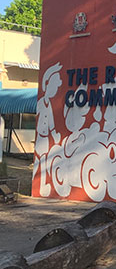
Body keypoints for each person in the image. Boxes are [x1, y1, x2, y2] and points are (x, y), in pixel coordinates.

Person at [34, 62, 62, 196]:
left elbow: (51, 122)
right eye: (55, 84)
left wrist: (54, 133)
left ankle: (43, 184)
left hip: (46, 138)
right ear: (46, 84)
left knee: (45, 160)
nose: (57, 88)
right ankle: (39, 184)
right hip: (40, 137)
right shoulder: (41, 103)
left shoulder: (49, 104)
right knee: (40, 160)